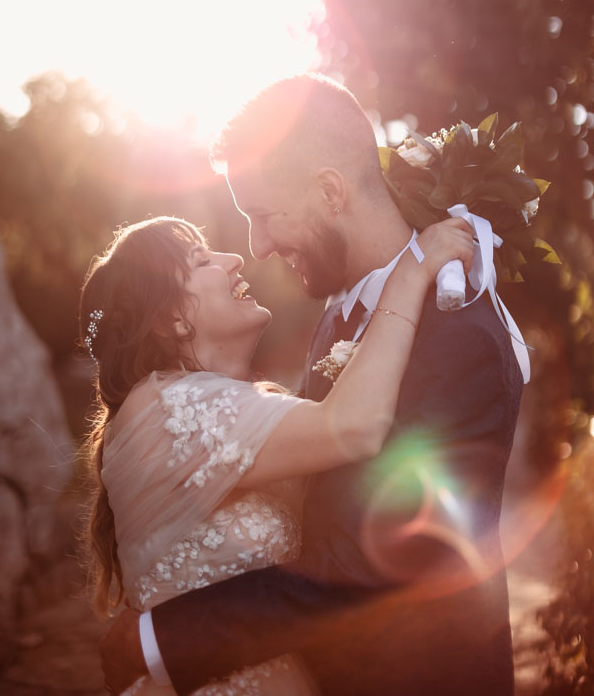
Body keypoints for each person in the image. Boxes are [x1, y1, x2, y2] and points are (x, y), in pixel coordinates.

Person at [99, 74, 524, 696]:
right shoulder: (339, 317)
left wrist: (162, 638)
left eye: (264, 216)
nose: (257, 247)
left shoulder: (457, 334)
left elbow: (372, 566)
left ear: (330, 191)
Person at [82, 211, 474, 695]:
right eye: (202, 260)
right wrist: (414, 270)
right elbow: (353, 426)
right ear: (172, 318)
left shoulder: (231, 407)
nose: (234, 259)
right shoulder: (171, 407)